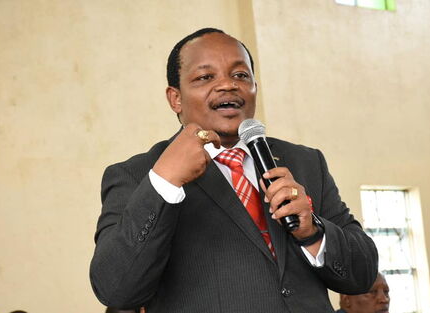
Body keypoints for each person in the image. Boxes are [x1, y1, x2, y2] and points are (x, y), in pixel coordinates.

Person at [89, 27, 378, 313]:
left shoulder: (305, 162)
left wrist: (312, 233)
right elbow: (116, 289)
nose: (227, 85)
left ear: (255, 88)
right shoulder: (138, 174)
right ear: (175, 98)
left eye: (240, 75)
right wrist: (164, 183)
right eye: (205, 77)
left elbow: (363, 273)